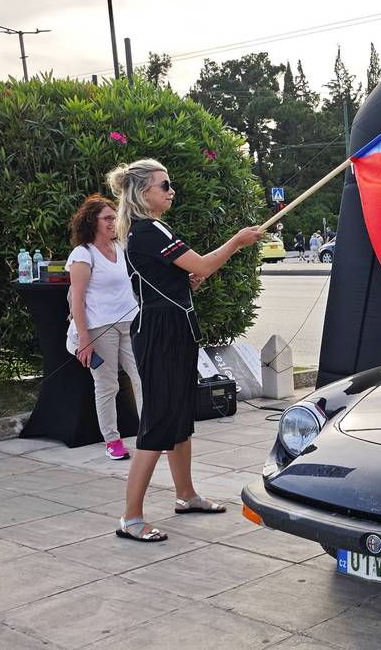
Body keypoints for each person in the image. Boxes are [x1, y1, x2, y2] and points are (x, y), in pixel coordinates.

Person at [106, 159, 263, 542]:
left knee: (179, 416)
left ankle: (186, 495)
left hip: (173, 328)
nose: (171, 190)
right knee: (159, 422)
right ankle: (130, 518)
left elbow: (177, 276)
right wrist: (237, 242)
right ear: (145, 193)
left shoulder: (154, 229)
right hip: (159, 333)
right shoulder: (148, 231)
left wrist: (183, 281)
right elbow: (205, 264)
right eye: (165, 185)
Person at [67, 194, 143, 461]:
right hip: (100, 327)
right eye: (107, 218)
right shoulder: (82, 254)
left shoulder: (121, 247)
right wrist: (84, 339)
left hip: (130, 322)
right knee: (107, 385)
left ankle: (150, 435)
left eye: (114, 217)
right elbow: (76, 299)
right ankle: (112, 441)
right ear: (92, 221)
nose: (113, 222)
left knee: (143, 377)